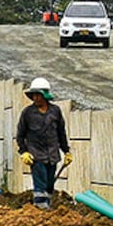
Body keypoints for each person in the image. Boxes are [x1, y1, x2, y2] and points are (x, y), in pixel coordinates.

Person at [15, 77, 71, 210]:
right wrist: (24, 152)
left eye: (38, 95)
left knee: (49, 184)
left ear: (45, 95)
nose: (35, 98)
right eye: (33, 95)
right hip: (36, 155)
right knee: (40, 183)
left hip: (52, 155)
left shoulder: (55, 111)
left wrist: (66, 151)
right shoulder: (28, 113)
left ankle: (46, 207)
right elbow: (20, 135)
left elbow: (61, 133)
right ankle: (40, 206)